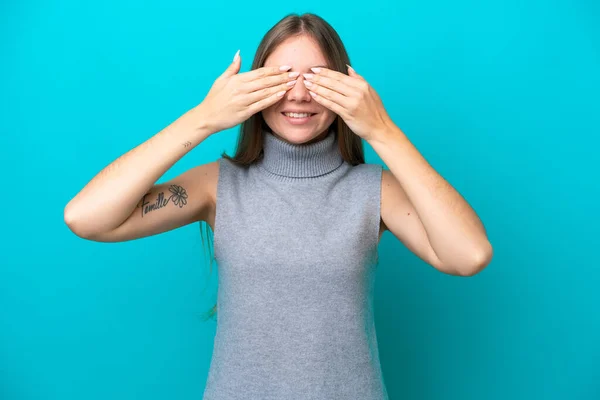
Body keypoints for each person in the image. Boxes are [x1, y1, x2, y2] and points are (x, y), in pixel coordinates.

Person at [64, 12, 493, 400]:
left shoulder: (374, 191)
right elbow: (85, 217)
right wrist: (203, 118)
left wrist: (381, 130)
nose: (300, 95)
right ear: (253, 88)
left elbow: (469, 254)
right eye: (282, 78)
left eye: (319, 78)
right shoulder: (218, 186)